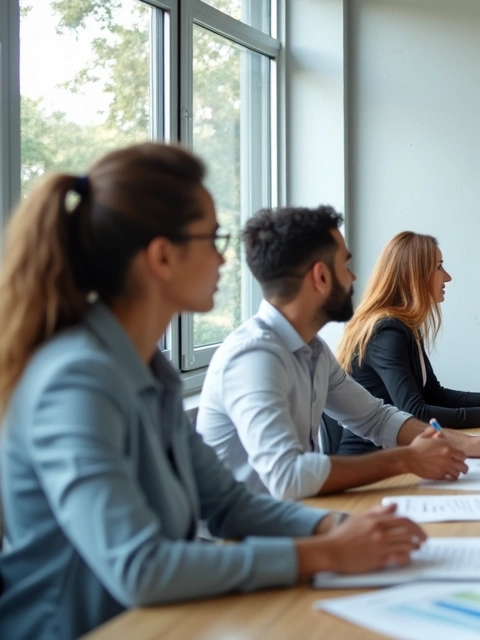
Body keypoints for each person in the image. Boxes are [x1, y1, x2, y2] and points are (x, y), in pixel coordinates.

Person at [0, 144, 430, 640]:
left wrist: (334, 527)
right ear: (162, 256)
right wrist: (323, 552)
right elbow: (140, 567)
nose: (225, 257)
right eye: (211, 238)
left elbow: (228, 503)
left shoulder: (148, 367)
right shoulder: (75, 380)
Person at [196, 206, 480, 500]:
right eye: (346, 265)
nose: (354, 278)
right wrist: (406, 459)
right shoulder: (255, 357)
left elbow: (377, 418)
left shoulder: (312, 350)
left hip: (289, 517)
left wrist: (473, 444)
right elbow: (288, 478)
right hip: (245, 540)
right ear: (321, 277)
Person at [334, 231, 480, 455]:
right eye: (439, 267)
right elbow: (414, 412)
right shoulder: (387, 332)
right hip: (371, 461)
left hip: (401, 452)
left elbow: (433, 394)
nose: (447, 277)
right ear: (415, 275)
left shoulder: (404, 325)